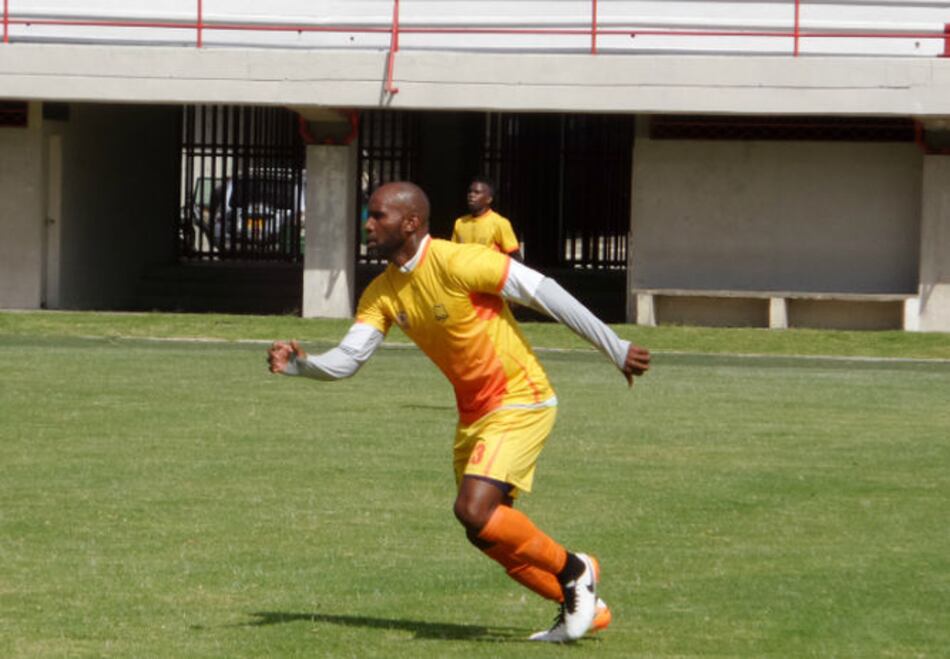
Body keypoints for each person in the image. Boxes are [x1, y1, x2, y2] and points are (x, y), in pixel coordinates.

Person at [267, 181, 650, 642]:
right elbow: (350, 359)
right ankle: (586, 606)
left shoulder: (457, 261)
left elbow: (544, 291)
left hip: (519, 398)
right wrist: (303, 367)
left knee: (474, 509)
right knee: (485, 531)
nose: (368, 225)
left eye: (377, 216)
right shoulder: (383, 291)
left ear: (410, 223)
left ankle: (576, 571)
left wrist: (615, 346)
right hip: (474, 416)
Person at [452, 176, 522, 261]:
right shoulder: (460, 222)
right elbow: (454, 253)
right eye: (470, 192)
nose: (471, 195)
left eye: (477, 192)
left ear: (489, 199)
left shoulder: (499, 223)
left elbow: (515, 256)